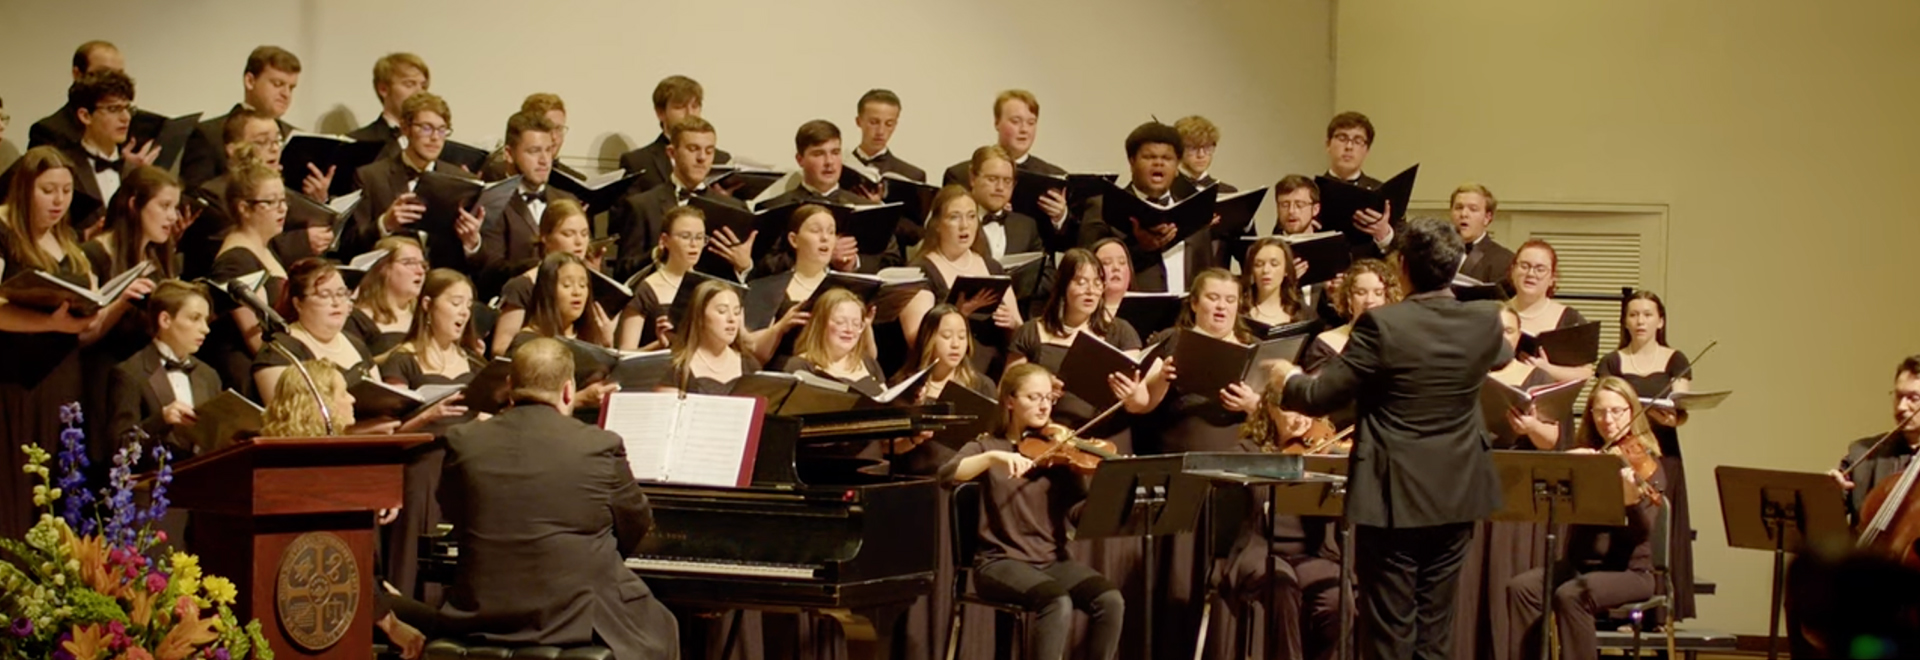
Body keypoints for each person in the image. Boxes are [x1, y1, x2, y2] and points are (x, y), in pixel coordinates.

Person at [1266, 216, 1509, 660]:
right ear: (1454, 267)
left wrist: (1286, 377)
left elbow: (1319, 396)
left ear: (1402, 268)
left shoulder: (1383, 326)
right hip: (1458, 491)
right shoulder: (1485, 322)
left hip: (1394, 493)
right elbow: (1504, 353)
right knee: (1435, 628)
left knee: (1389, 630)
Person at [437, 337, 679, 658]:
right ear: (568, 390)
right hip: (571, 617)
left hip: (481, 611)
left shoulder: (463, 440)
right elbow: (635, 524)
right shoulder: (599, 445)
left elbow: (454, 511)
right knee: (662, 626)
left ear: (510, 386)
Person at [1, 148, 155, 516]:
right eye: (48, 190)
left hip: (64, 377)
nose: (59, 201)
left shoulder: (69, 243)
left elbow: (87, 330)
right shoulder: (4, 232)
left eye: (66, 190)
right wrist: (51, 323)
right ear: (24, 189)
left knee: (57, 486)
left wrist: (118, 302)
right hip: (15, 378)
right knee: (17, 489)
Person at [940, 362, 1125, 660]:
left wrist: (1107, 493)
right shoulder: (987, 445)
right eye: (1033, 397)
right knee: (1056, 601)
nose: (1044, 406)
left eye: (1048, 398)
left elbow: (1077, 512)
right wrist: (991, 458)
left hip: (1051, 560)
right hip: (999, 562)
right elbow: (947, 474)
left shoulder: (1060, 449)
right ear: (1010, 401)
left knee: (1110, 600)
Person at [1505, 377, 1666, 660]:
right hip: (1580, 566)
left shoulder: (1646, 462)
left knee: (1571, 596)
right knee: (1521, 588)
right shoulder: (1588, 456)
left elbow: (1645, 530)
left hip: (1630, 573)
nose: (1608, 419)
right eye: (1600, 411)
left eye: (1617, 411)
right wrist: (1569, 468)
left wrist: (1630, 503)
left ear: (1632, 411)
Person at [1214, 389, 1346, 660]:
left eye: (1305, 410)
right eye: (1289, 410)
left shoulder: (1321, 449)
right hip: (1262, 551)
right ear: (1269, 411)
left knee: (1338, 598)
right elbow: (1218, 472)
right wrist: (1269, 466)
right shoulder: (1251, 448)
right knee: (1282, 586)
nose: (1299, 419)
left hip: (1311, 553)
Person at [1597, 290, 1698, 619]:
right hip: (1624, 454)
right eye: (1633, 314)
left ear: (1661, 320)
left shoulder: (1676, 359)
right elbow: (1605, 403)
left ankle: (1660, 611)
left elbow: (1680, 406)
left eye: (1647, 314)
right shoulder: (1612, 361)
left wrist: (1675, 415)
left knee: (1659, 526)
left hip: (1663, 452)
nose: (1640, 321)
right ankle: (1619, 607)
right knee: (1629, 527)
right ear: (1625, 321)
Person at [1006, 248, 1152, 446]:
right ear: (1064, 285)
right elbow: (1007, 389)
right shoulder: (1031, 331)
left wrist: (1132, 395)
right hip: (1047, 439)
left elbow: (1141, 402)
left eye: (1097, 282)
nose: (1090, 290)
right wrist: (1040, 386)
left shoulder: (1120, 331)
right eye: (1081, 282)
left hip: (1107, 441)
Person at [340, 92, 483, 271]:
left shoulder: (463, 179)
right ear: (405, 128)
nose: (435, 138)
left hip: (445, 284)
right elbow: (348, 247)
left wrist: (472, 243)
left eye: (442, 130)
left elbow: (482, 263)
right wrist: (385, 224)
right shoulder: (371, 177)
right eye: (426, 128)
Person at [608, 116, 751, 282]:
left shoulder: (733, 208)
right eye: (693, 149)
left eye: (709, 151)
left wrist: (745, 266)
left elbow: (750, 281)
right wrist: (657, 254)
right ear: (671, 153)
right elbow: (623, 272)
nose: (702, 158)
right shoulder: (642, 206)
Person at [1078, 122, 1213, 294]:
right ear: (1132, 161)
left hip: (1183, 317)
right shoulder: (1103, 207)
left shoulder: (1193, 212)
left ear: (1177, 165)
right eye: (1149, 157)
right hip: (1124, 316)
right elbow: (1084, 267)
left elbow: (1206, 274)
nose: (1158, 163)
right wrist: (1140, 248)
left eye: (1167, 158)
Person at [897, 184, 1021, 368]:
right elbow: (917, 341)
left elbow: (1020, 332)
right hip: (946, 374)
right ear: (937, 224)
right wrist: (959, 314)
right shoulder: (920, 271)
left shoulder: (992, 267)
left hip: (993, 372)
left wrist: (1012, 324)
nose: (965, 225)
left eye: (971, 216)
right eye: (955, 217)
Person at [1139, 269, 1262, 454]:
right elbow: (1142, 402)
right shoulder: (1170, 339)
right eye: (1213, 298)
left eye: (1230, 300)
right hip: (1178, 455)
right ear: (1195, 303)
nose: (1222, 306)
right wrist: (1162, 377)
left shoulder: (1254, 348)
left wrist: (1251, 404)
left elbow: (1277, 412)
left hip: (1239, 459)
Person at [759, 120, 900, 273]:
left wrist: (853, 263)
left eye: (835, 152)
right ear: (800, 160)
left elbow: (893, 261)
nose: (829, 162)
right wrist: (820, 256)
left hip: (855, 294)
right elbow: (763, 266)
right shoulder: (775, 207)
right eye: (819, 154)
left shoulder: (869, 208)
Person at [942, 91, 1072, 250]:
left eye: (1031, 122)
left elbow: (1067, 245)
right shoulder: (959, 174)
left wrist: (1060, 218)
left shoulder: (1054, 177)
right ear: (996, 122)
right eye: (1016, 121)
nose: (1024, 129)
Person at [202, 162, 290, 394]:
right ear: (244, 208)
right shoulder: (235, 261)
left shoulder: (266, 247)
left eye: (283, 200)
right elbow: (255, 339)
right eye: (271, 202)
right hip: (250, 375)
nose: (282, 209)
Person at [108, 280, 220, 456]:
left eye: (206, 320)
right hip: (155, 479)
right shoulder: (130, 373)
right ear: (165, 320)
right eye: (195, 318)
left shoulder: (208, 375)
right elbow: (118, 448)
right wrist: (161, 420)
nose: (205, 329)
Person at [474, 110, 580, 279]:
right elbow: (490, 271)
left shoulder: (568, 200)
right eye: (534, 151)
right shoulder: (492, 201)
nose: (544, 160)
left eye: (548, 150)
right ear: (508, 154)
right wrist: (543, 267)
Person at [490, 200, 604, 355]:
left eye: (584, 234)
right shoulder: (523, 285)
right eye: (568, 234)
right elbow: (501, 348)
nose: (579, 242)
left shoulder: (590, 282)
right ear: (545, 238)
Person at [182, 46, 301, 190]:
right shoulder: (209, 134)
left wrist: (319, 197)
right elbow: (194, 196)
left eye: (291, 88)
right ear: (250, 81)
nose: (286, 94)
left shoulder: (296, 137)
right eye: (278, 84)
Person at [740, 205, 841, 364]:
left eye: (831, 231)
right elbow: (748, 348)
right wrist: (780, 327)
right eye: (816, 231)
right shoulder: (767, 287)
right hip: (785, 370)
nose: (825, 238)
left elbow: (867, 354)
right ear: (794, 240)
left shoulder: (845, 287)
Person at [1833, 355, 1920, 525]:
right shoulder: (1863, 453)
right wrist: (1829, 494)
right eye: (1898, 396)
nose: (1901, 407)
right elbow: (1827, 518)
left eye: (1913, 398)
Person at [966, 145, 1051, 312]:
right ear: (972, 178)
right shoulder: (959, 223)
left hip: (1016, 320)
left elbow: (1048, 277)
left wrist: (1014, 288)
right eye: (992, 179)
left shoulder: (1026, 226)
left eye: (1007, 181)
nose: (1000, 188)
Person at [616, 206, 710, 351]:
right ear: (664, 240)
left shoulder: (709, 286)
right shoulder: (646, 289)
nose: (694, 244)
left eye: (699, 237)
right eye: (685, 236)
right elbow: (625, 355)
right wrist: (660, 344)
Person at [619, 75, 732, 195]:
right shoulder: (638, 162)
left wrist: (726, 201)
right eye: (680, 107)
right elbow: (628, 211)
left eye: (695, 106)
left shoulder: (721, 160)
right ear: (660, 112)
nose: (690, 113)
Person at [1507, 238, 1595, 382]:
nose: (1531, 274)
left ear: (1552, 278)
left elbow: (1585, 373)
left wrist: (1547, 369)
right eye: (1524, 266)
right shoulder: (1494, 313)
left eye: (1540, 269)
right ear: (1512, 271)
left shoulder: (1570, 318)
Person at [1300, 259, 1402, 374]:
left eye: (1378, 293)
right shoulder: (1326, 344)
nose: (1369, 300)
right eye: (1361, 293)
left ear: (1388, 298)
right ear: (1349, 299)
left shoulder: (1402, 339)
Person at [781, 287, 886, 397]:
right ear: (820, 324)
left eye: (856, 324)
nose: (849, 330)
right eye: (840, 322)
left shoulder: (867, 362)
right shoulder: (800, 367)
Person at [1321, 112, 1398, 260]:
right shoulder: (1308, 191)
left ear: (1367, 150)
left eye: (1358, 141)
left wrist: (1384, 235)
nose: (1349, 146)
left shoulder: (1383, 193)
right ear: (1328, 145)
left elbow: (1404, 250)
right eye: (1342, 138)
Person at [664, 279, 759, 394]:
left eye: (736, 312)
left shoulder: (749, 364)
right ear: (699, 316)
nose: (732, 319)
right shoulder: (676, 367)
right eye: (722, 311)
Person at [27, 40, 126, 151]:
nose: (115, 81)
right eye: (103, 73)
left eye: (119, 74)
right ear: (77, 74)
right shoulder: (49, 131)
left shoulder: (138, 126)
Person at [348, 236, 427, 355]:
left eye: (423, 265)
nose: (420, 271)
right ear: (383, 268)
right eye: (409, 263)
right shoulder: (357, 320)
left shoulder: (424, 316)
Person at [482, 93, 586, 182]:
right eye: (548, 128)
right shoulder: (497, 170)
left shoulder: (574, 179)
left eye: (559, 129)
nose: (554, 137)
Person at [346, 53, 431, 158]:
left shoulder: (438, 144)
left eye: (423, 86)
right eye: (409, 84)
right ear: (383, 89)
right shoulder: (357, 144)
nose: (420, 93)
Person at [851, 89, 926, 183]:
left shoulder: (911, 175)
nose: (881, 131)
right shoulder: (838, 168)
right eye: (874, 122)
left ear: (895, 125)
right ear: (859, 121)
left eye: (889, 124)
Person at [1240, 236, 1308, 334]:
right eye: (1259, 264)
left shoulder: (1301, 312)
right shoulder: (1240, 311)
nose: (1266, 270)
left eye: (1274, 264)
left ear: (1286, 270)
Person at [1451, 183, 1515, 285]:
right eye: (1459, 207)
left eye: (1473, 209)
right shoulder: (1433, 253)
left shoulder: (1504, 259)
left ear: (1487, 218)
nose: (1463, 214)